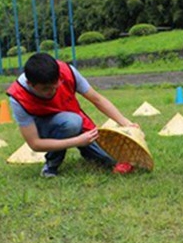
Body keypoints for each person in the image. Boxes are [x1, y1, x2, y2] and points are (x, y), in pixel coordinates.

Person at [7, 53, 137, 177]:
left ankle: (88, 151)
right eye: (45, 89)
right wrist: (77, 141)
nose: (52, 91)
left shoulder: (67, 72)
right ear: (30, 84)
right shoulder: (18, 97)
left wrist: (125, 122)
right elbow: (35, 144)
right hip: (47, 128)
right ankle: (51, 166)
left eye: (55, 85)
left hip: (76, 122)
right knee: (72, 123)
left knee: (113, 160)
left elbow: (97, 99)